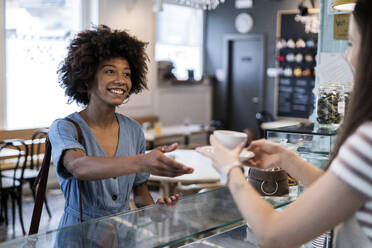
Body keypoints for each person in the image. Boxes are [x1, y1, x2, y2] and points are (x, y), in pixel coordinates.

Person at [198, 1, 372, 247]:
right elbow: (336, 192)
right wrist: (286, 158)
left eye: (352, 43)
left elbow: (274, 235)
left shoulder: (367, 142)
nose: (347, 56)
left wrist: (230, 170)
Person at [49, 25, 193, 228]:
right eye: (110, 71)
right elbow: (79, 167)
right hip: (78, 236)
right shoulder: (64, 128)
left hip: (123, 236)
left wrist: (157, 212)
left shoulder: (134, 130)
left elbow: (141, 196)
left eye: (126, 74)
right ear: (87, 78)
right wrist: (143, 161)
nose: (121, 80)